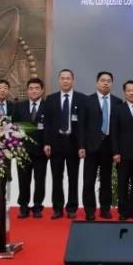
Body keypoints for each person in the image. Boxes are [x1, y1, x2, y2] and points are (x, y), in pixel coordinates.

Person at [80, 71, 124, 220]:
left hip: (109, 146)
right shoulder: (87, 101)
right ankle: (89, 210)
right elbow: (81, 126)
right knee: (89, 180)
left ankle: (105, 209)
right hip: (91, 146)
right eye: (103, 80)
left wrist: (117, 149)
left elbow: (119, 127)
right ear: (97, 83)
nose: (106, 83)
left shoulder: (117, 102)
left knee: (106, 180)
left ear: (112, 84)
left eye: (108, 81)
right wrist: (81, 146)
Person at [42, 68, 83, 219]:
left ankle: (72, 207)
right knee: (57, 177)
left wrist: (82, 146)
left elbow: (83, 125)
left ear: (72, 80)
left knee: (73, 177)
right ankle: (57, 208)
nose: (65, 81)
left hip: (73, 143)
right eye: (62, 78)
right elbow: (47, 123)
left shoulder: (81, 99)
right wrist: (47, 143)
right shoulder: (51, 99)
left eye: (68, 78)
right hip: (56, 144)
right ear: (59, 80)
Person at [13, 77, 47, 218]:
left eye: (37, 88)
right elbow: (14, 126)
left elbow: (50, 127)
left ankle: (37, 206)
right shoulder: (19, 106)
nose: (34, 91)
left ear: (42, 90)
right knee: (23, 180)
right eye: (31, 88)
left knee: (40, 180)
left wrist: (47, 143)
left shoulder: (48, 106)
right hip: (23, 150)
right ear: (27, 91)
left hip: (41, 150)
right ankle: (23, 206)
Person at [112, 80, 133, 221]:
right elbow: (114, 132)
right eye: (129, 90)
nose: (131, 93)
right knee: (123, 183)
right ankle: (123, 211)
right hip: (123, 153)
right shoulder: (118, 109)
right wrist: (116, 152)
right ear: (124, 92)